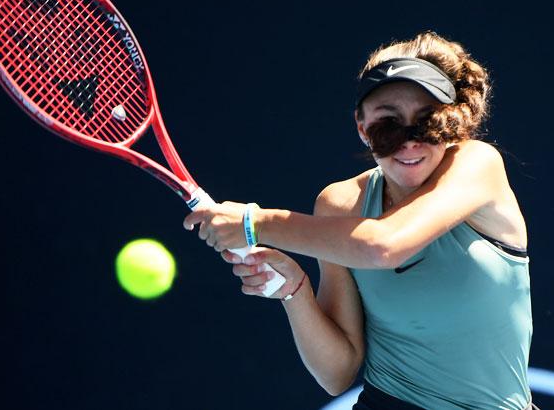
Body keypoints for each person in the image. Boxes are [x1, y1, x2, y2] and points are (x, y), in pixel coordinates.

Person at [183, 31, 535, 409]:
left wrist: (256, 222)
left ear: (453, 124)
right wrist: (295, 291)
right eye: (388, 125)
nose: (410, 142)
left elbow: (383, 246)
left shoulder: (477, 163)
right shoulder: (340, 205)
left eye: (427, 122)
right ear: (362, 127)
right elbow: (337, 373)